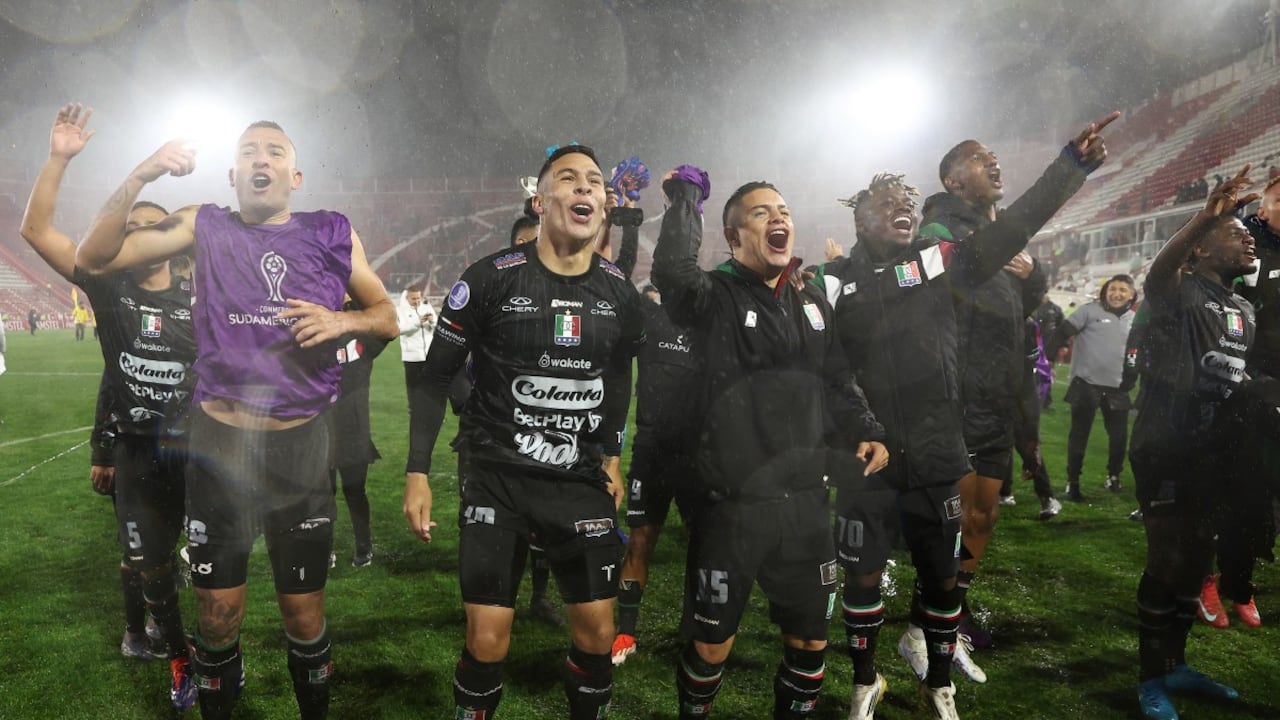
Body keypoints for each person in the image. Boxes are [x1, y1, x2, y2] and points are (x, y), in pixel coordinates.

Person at [75, 119, 398, 720]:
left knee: (304, 616)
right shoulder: (205, 223)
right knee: (217, 618)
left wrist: (342, 321)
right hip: (221, 447)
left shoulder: (331, 231)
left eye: (275, 151)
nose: (261, 158)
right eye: (248, 150)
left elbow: (385, 315)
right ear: (233, 175)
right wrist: (143, 172)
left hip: (300, 447)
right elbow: (93, 257)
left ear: (293, 176)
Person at [402, 144, 644, 720]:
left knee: (597, 633)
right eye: (568, 178)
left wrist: (611, 454)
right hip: (497, 478)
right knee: (487, 639)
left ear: (605, 207)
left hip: (577, 478)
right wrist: (417, 471)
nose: (585, 187)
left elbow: (617, 377)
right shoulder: (489, 279)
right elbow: (434, 379)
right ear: (540, 201)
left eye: (593, 181)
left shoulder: (618, 294)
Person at [653, 166, 888, 720]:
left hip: (807, 504)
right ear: (734, 238)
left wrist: (867, 429)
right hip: (731, 509)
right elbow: (673, 271)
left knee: (810, 644)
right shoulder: (714, 297)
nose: (778, 217)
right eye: (761, 214)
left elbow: (837, 382)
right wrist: (685, 197)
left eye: (782, 210)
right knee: (712, 647)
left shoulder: (811, 303)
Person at [19, 103, 197, 709]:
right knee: (149, 568)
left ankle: (212, 649)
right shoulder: (108, 290)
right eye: (129, 226)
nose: (137, 234)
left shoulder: (203, 298)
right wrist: (60, 159)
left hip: (202, 452)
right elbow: (37, 232)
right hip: (139, 453)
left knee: (206, 565)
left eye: (151, 225)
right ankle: (178, 658)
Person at [920, 112, 1117, 654]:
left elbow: (1024, 310)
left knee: (983, 515)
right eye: (981, 159)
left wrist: (1040, 280)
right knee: (951, 521)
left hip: (999, 394)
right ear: (954, 180)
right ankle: (928, 620)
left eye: (994, 157)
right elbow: (976, 266)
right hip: (957, 397)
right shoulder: (941, 231)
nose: (994, 162)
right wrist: (1068, 169)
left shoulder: (998, 236)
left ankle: (950, 615)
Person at [1129, 166, 1257, 720]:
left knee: (1198, 556)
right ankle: (1149, 679)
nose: (1248, 234)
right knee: (1168, 558)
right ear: (1202, 250)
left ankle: (1177, 663)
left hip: (1214, 451)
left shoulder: (1246, 310)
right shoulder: (1179, 289)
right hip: (1167, 444)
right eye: (1234, 231)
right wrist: (1203, 215)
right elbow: (1158, 274)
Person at [1047, 274, 1137, 501]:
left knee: (1119, 437)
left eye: (1123, 290)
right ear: (1105, 290)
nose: (1117, 293)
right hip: (1086, 384)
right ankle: (1073, 482)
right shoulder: (1089, 311)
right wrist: (1049, 359)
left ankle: (1113, 477)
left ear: (1131, 295)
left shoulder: (1134, 319)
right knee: (1079, 435)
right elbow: (1061, 332)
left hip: (1118, 387)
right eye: (1113, 288)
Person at [330, 295, 389, 568]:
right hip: (320, 430)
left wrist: (356, 304)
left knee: (355, 492)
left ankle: (364, 548)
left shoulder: (363, 336)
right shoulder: (318, 333)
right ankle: (324, 548)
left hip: (353, 431)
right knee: (321, 495)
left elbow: (388, 326)